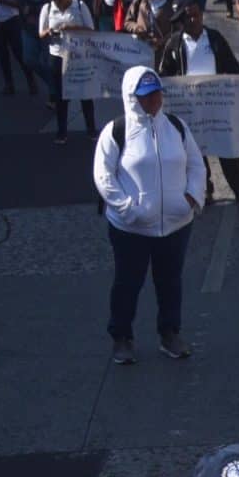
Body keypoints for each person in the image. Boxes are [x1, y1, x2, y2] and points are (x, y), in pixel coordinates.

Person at [95, 66, 206, 365]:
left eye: (156, 93)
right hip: (130, 228)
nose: (153, 100)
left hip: (175, 225)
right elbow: (104, 177)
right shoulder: (115, 132)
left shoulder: (177, 127)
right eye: (145, 96)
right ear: (131, 98)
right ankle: (121, 337)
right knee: (127, 283)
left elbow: (196, 164)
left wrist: (191, 199)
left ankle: (170, 333)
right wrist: (128, 210)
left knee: (170, 281)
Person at [156, 0, 239, 206]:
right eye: (186, 17)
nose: (191, 20)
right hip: (190, 108)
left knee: (229, 150)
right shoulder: (174, 43)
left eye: (194, 15)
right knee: (195, 154)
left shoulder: (214, 38)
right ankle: (204, 191)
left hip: (217, 105)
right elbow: (164, 75)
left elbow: (231, 65)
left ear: (201, 15)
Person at [39, 0, 100, 141]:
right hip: (57, 54)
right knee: (60, 95)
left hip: (78, 56)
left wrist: (72, 28)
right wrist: (51, 31)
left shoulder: (79, 6)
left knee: (84, 92)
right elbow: (41, 33)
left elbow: (91, 29)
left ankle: (91, 128)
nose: (57, 2)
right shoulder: (47, 8)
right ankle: (62, 130)